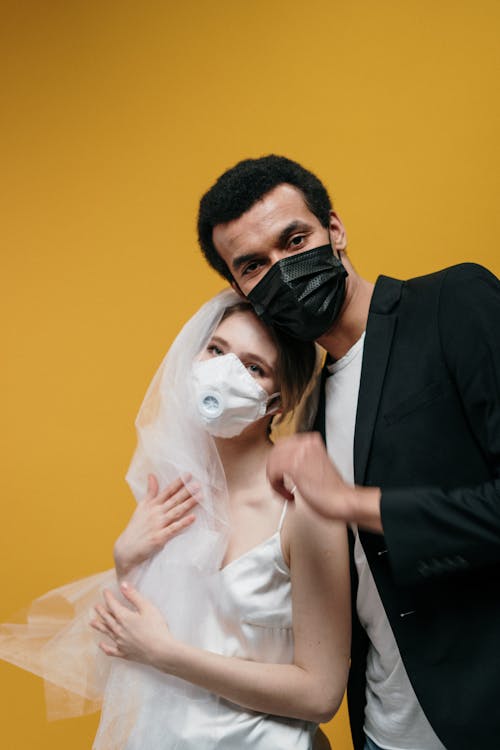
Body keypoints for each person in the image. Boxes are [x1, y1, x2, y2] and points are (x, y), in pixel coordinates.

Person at [195, 154, 500, 750]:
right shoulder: (306, 409)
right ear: (240, 288)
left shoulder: (451, 304)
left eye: (295, 239)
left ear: (334, 230)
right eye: (255, 264)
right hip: (384, 729)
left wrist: (354, 503)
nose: (283, 269)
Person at [41, 289, 349, 748]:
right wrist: (126, 561)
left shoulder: (304, 509)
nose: (223, 372)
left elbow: (320, 694)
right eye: (216, 349)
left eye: (253, 367)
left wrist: (168, 655)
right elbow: (126, 650)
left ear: (278, 403)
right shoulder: (175, 494)